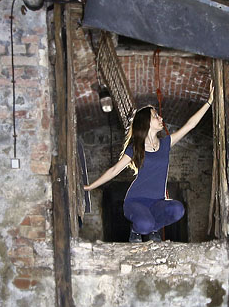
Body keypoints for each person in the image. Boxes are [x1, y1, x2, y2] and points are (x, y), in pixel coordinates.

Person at [84, 88, 214, 242]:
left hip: (157, 202)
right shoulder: (135, 147)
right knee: (144, 224)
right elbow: (114, 170)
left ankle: (153, 228)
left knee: (177, 209)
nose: (160, 118)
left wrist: (209, 101)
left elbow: (189, 125)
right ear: (146, 122)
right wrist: (89, 187)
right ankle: (137, 229)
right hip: (135, 201)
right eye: (155, 116)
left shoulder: (165, 144)